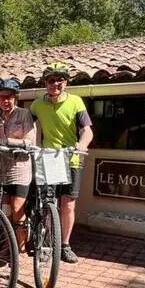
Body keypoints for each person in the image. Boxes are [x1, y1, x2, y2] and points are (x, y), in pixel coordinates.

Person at [29, 62, 94, 264]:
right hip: (48, 157)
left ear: (66, 82)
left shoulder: (76, 102)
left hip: (71, 157)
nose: (55, 83)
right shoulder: (37, 104)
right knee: (47, 202)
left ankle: (64, 245)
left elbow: (87, 130)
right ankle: (46, 241)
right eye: (50, 80)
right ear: (45, 83)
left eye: (60, 79)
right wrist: (28, 143)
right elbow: (29, 128)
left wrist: (82, 144)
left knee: (67, 203)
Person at [0, 78, 36, 251]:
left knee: (17, 208)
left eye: (9, 97)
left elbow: (30, 141)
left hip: (20, 168)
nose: (6, 100)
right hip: (0, 170)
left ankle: (20, 248)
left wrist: (9, 141)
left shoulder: (24, 114)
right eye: (2, 97)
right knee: (3, 210)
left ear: (15, 98)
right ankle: (6, 245)